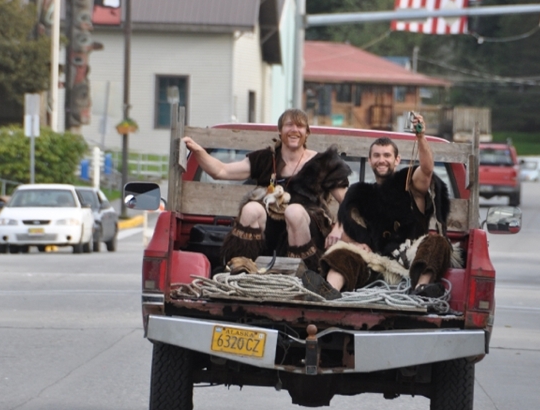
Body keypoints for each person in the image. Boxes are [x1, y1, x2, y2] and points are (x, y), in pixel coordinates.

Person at [182, 109, 351, 270]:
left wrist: (338, 227)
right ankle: (242, 267)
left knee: (293, 211)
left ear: (307, 133)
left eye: (299, 126)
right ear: (280, 130)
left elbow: (348, 201)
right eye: (289, 125)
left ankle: (305, 273)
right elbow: (221, 171)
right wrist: (198, 150)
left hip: (307, 228)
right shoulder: (266, 158)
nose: (294, 130)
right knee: (251, 208)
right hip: (269, 228)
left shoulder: (322, 163)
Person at [319, 113, 453, 297]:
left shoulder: (410, 185)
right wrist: (357, 245)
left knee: (438, 242)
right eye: (377, 156)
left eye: (387, 155)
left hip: (410, 258)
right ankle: (328, 292)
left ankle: (422, 290)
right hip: (374, 261)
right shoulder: (362, 194)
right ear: (370, 160)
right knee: (341, 254)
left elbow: (427, 169)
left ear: (397, 160)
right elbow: (349, 228)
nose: (381, 160)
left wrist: (421, 137)